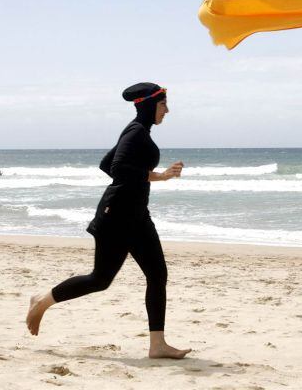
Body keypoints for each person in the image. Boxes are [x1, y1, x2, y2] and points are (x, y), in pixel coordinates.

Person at [26, 83, 190, 359]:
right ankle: (42, 300)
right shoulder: (136, 132)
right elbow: (117, 169)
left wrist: (161, 176)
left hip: (137, 216)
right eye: (164, 105)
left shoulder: (135, 131)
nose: (168, 110)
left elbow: (108, 164)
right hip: (118, 216)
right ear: (151, 105)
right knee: (100, 279)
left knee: (157, 274)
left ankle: (157, 344)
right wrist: (149, 175)